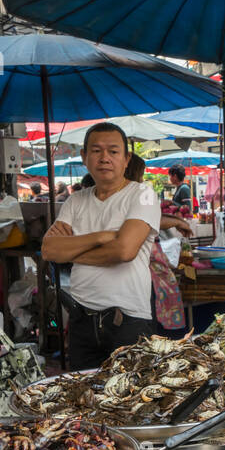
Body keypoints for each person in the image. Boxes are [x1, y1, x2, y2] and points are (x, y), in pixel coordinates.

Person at [42, 122, 162, 369]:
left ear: (127, 159)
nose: (104, 157)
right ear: (84, 157)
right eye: (96, 151)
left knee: (130, 400)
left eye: (113, 151)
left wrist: (73, 252)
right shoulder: (76, 201)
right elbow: (50, 250)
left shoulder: (143, 194)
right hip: (81, 320)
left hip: (128, 321)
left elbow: (124, 251)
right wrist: (100, 237)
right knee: (82, 399)